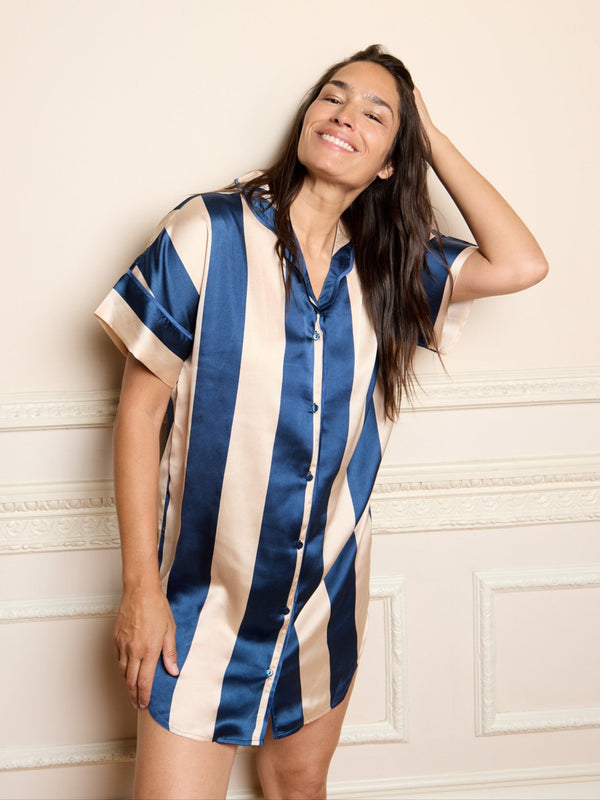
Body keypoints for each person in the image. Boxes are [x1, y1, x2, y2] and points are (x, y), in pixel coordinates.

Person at [95, 44, 548, 800]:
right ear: (307, 117)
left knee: (299, 787)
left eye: (376, 114)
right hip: (202, 600)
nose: (344, 116)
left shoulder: (389, 264)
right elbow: (140, 415)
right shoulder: (207, 230)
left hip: (323, 597)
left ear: (392, 161)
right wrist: (141, 588)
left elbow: (522, 264)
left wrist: (431, 137)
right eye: (333, 97)